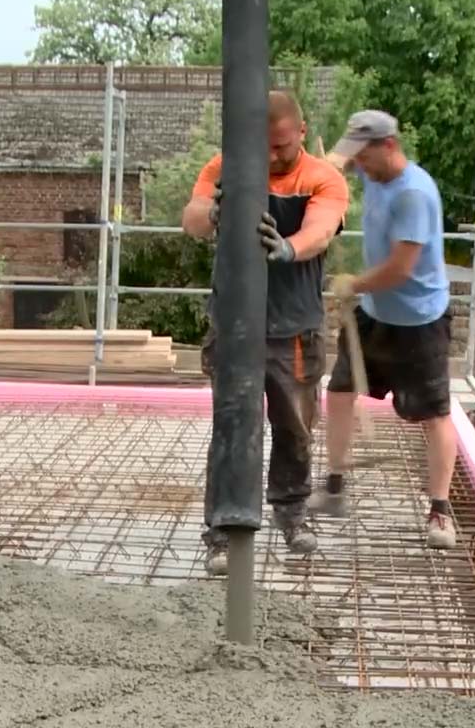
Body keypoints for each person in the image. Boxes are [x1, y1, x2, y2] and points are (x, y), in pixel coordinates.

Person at [181, 90, 349, 575]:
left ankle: (291, 512)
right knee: (232, 428)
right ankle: (221, 529)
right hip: (234, 325)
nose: (272, 157)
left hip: (293, 329)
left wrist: (289, 248)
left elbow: (321, 229)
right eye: (264, 146)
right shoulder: (226, 167)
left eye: (281, 146)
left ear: (302, 132)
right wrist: (215, 213)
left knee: (295, 429)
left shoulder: (322, 178)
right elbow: (191, 220)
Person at [315, 110, 459, 548]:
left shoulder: (413, 194)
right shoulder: (373, 172)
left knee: (433, 415)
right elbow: (337, 166)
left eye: (364, 156)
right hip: (375, 313)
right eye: (355, 156)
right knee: (339, 392)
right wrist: (325, 171)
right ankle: (335, 486)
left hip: (419, 322)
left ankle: (440, 511)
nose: (358, 164)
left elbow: (400, 269)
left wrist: (353, 284)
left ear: (389, 146)